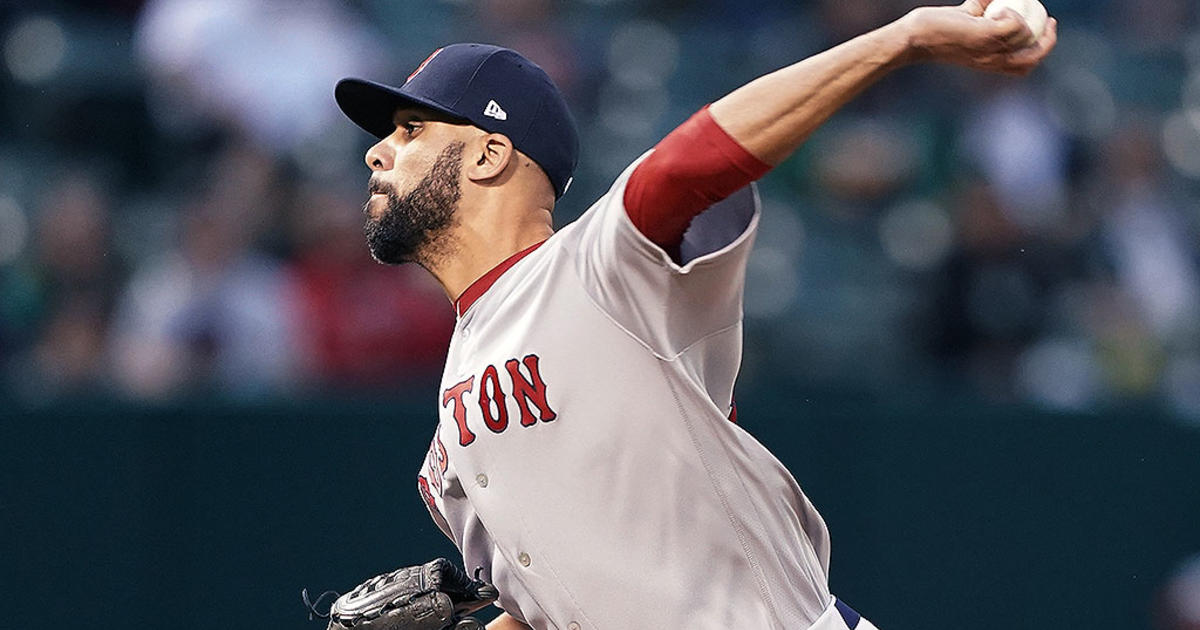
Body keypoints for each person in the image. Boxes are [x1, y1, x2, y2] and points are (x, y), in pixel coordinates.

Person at [331, 2, 1056, 628]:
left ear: (490, 155)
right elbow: (548, 609)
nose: (377, 152)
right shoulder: (446, 449)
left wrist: (905, 39)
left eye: (411, 130)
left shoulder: (599, 267)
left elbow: (688, 166)